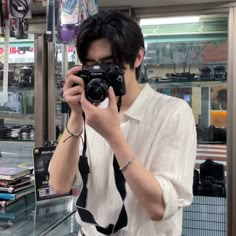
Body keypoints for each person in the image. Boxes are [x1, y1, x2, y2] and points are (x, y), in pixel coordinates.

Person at [49, 10, 197, 236]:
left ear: (138, 58)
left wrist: (113, 135)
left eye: (110, 65)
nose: (101, 75)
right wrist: (76, 115)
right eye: (91, 66)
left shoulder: (173, 113)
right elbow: (58, 185)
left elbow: (159, 208)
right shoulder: (90, 112)